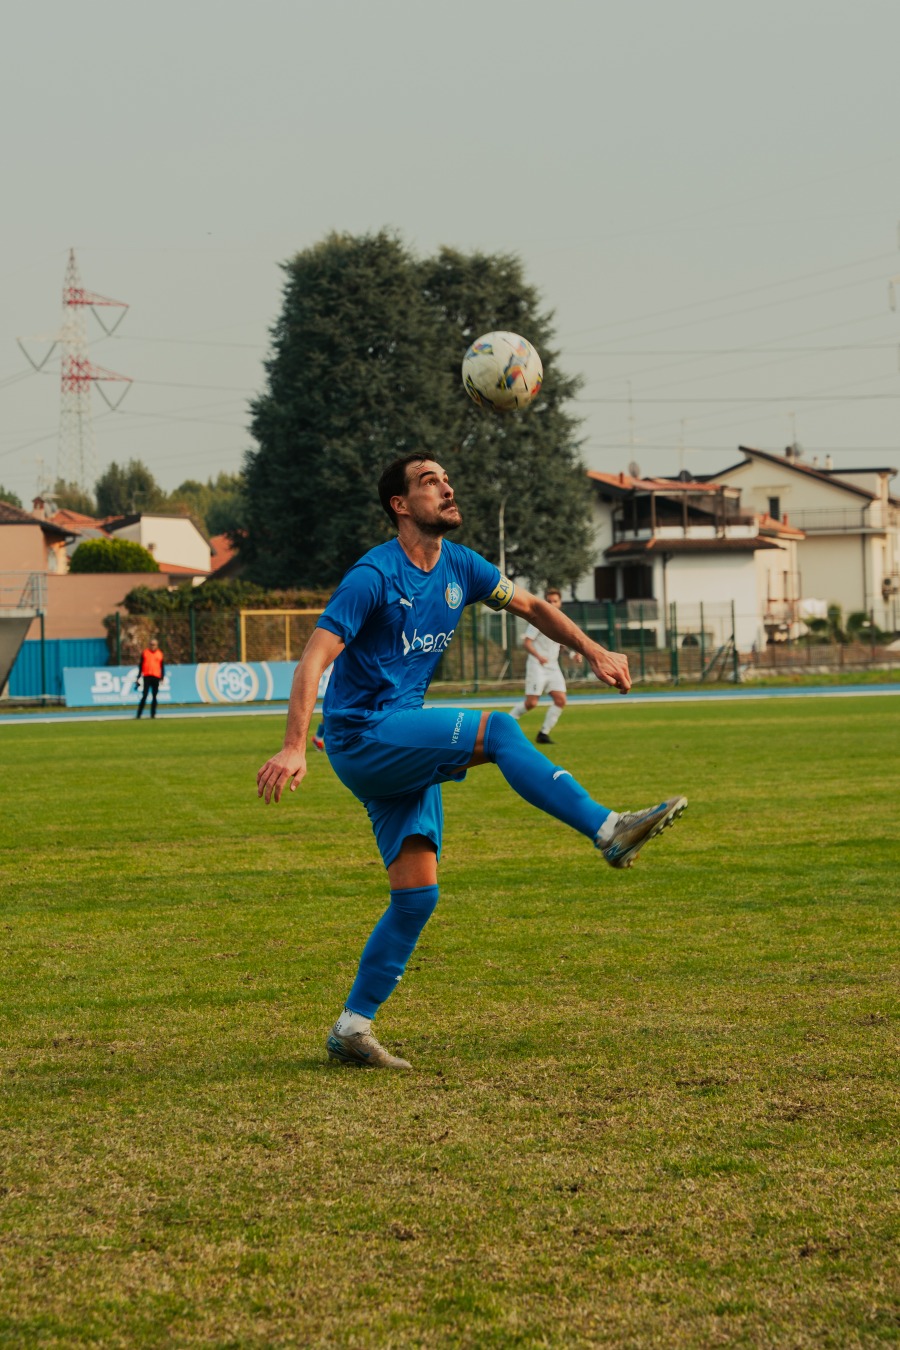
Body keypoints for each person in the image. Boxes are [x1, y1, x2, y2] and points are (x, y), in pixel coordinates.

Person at [256, 455, 686, 1071]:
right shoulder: (373, 575)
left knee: (416, 897)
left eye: (445, 477)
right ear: (400, 505)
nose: (446, 486)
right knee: (501, 728)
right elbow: (313, 659)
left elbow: (532, 606)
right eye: (428, 481)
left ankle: (352, 1027)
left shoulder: (462, 566)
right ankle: (607, 828)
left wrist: (592, 649)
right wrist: (295, 744)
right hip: (366, 736)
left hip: (399, 741)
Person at [510, 587, 582, 744]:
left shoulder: (561, 622)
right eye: (549, 601)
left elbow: (561, 645)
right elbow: (527, 643)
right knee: (531, 703)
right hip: (537, 665)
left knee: (560, 700)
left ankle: (543, 734)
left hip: (553, 667)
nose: (552, 604)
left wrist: (573, 655)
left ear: (560, 603)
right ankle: (506, 722)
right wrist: (539, 656)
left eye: (555, 601)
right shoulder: (538, 620)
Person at [135, 637, 165, 719]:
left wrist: (162, 676)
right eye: (151, 644)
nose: (152, 646)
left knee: (154, 696)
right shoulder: (145, 653)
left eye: (154, 645)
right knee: (144, 695)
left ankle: (153, 714)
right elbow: (141, 665)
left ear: (157, 645)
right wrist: (138, 677)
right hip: (147, 676)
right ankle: (139, 714)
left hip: (156, 677)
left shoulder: (160, 654)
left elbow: (162, 666)